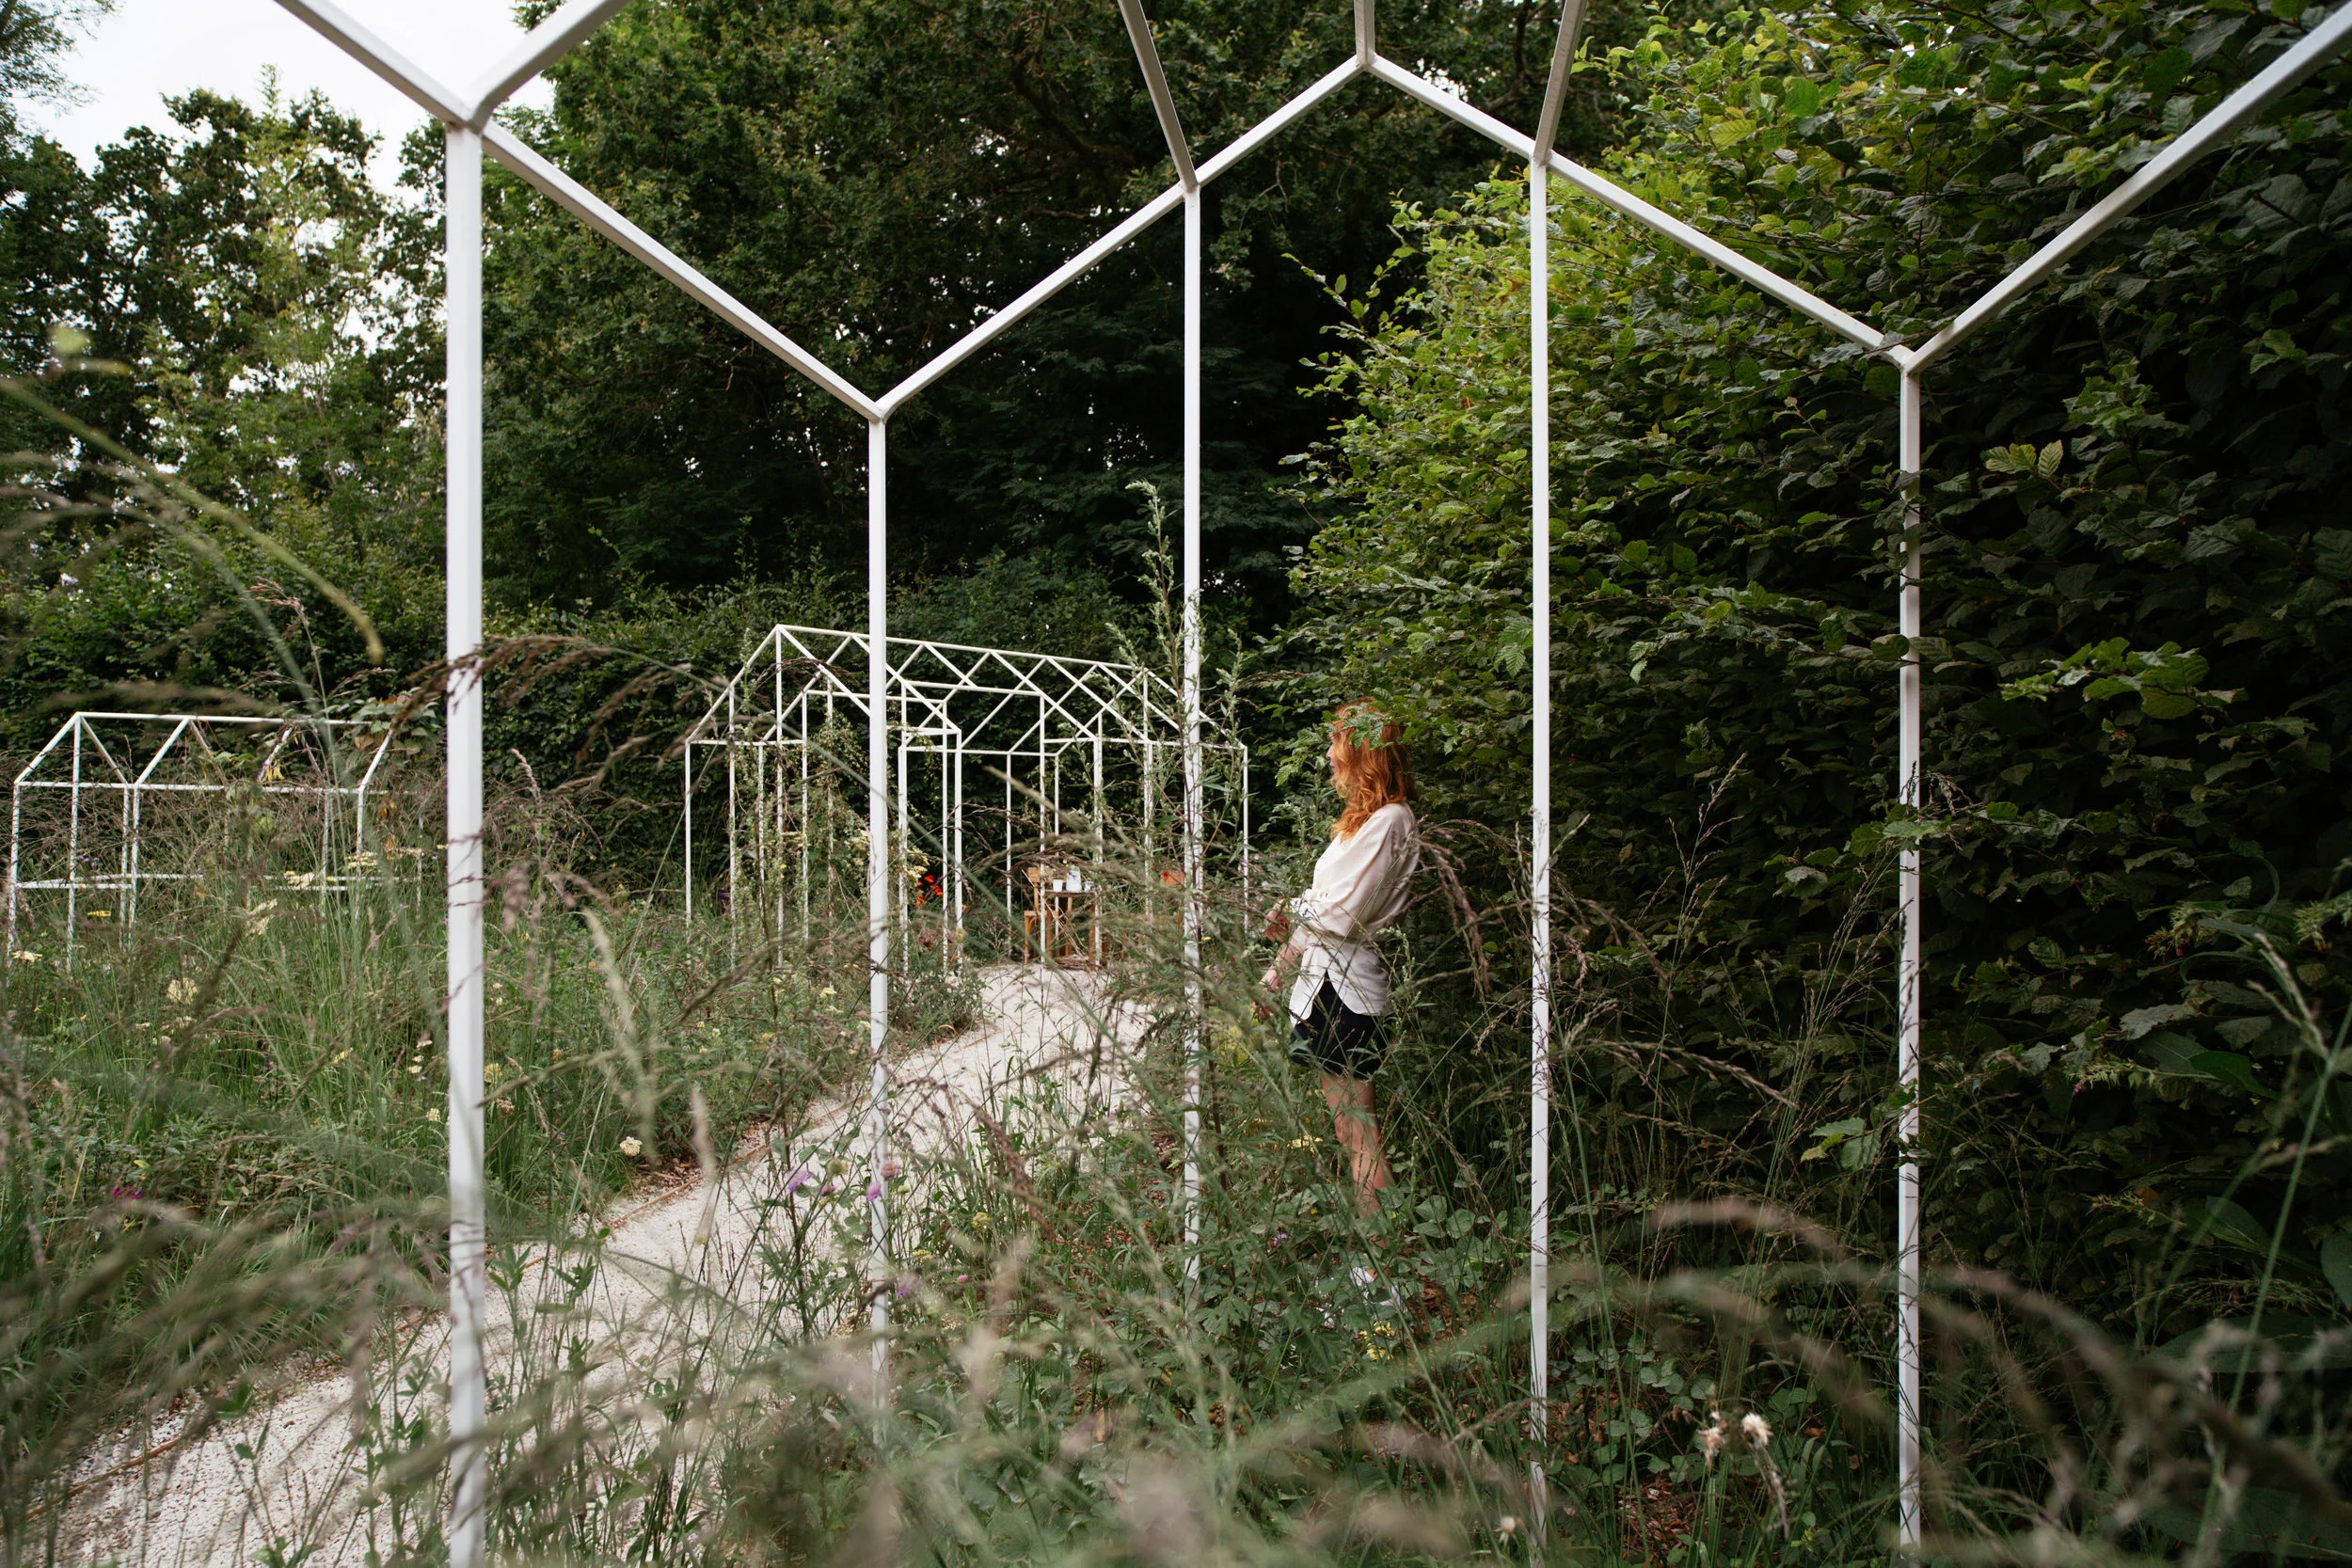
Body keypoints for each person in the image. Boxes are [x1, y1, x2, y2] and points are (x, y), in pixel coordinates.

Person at [1261, 704, 1420, 1220]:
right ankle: (1375, 1271)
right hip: (1323, 987)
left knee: (1361, 1138)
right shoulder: (1359, 824)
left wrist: (1288, 908)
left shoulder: (1392, 821)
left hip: (1348, 992)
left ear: (1364, 752)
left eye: (1336, 744)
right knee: (1348, 1134)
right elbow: (1320, 916)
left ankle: (1379, 1279)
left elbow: (1342, 915)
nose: (1329, 755)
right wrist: (1276, 975)